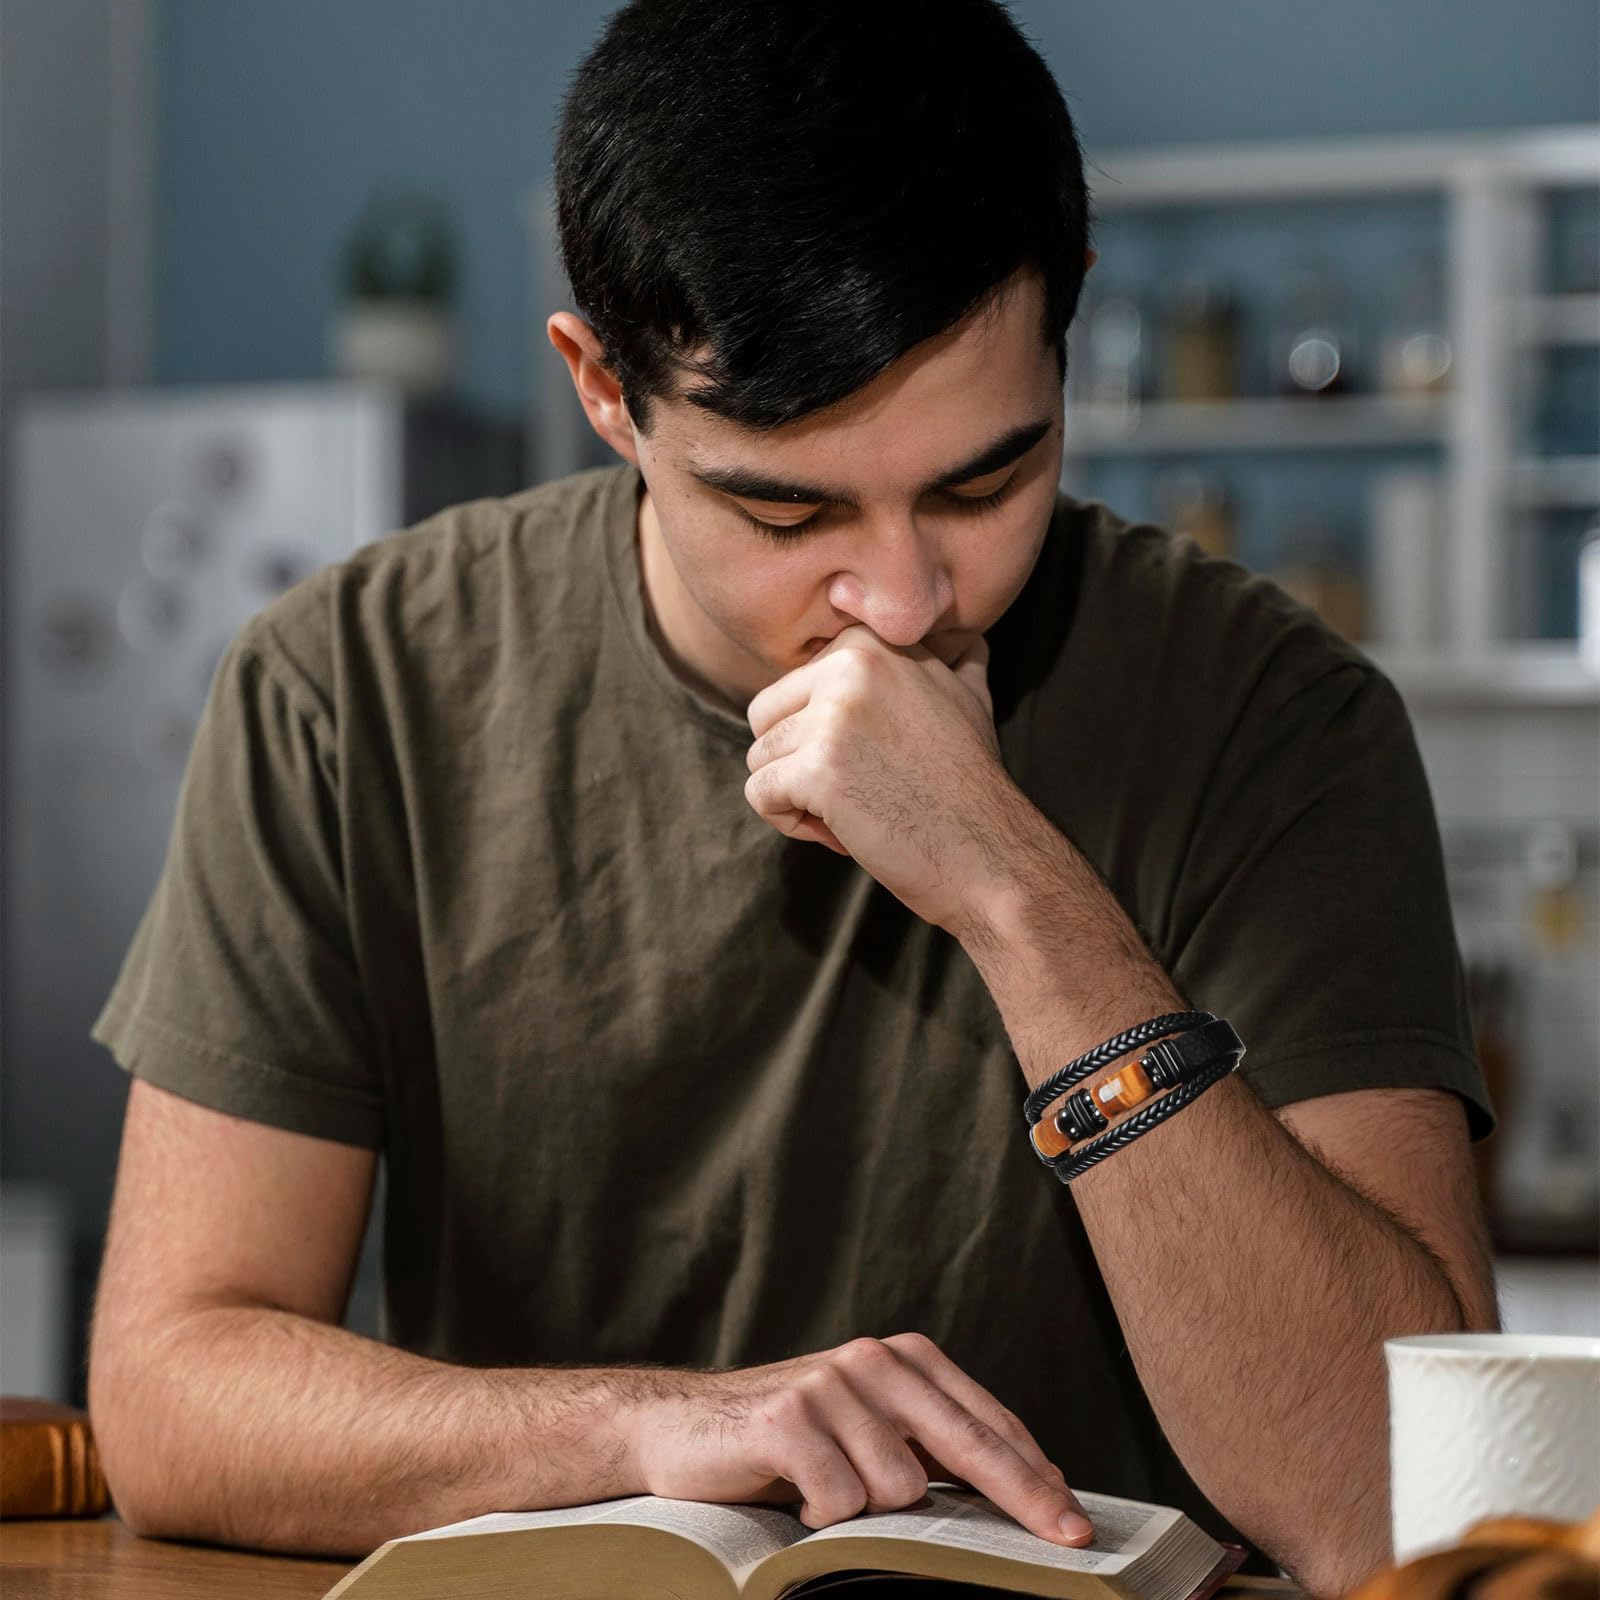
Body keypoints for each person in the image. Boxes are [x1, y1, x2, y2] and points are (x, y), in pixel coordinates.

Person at [86, 2, 1498, 1593]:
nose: (897, 600)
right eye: (786, 508)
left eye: (984, 484)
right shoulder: (345, 688)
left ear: (1070, 332)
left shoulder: (1280, 723)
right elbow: (170, 1396)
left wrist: (1012, 888)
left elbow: (1396, 1508)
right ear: (604, 389)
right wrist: (644, 1432)